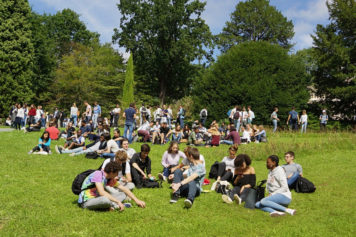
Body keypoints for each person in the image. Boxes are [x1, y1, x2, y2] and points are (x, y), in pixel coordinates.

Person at [78, 161, 145, 211]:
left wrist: (137, 200)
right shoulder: (98, 174)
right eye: (116, 173)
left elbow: (124, 188)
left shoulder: (109, 178)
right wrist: (118, 201)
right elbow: (102, 192)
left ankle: (112, 206)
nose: (117, 175)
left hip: (98, 198)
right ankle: (113, 206)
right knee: (105, 200)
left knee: (123, 194)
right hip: (87, 201)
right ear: (112, 172)